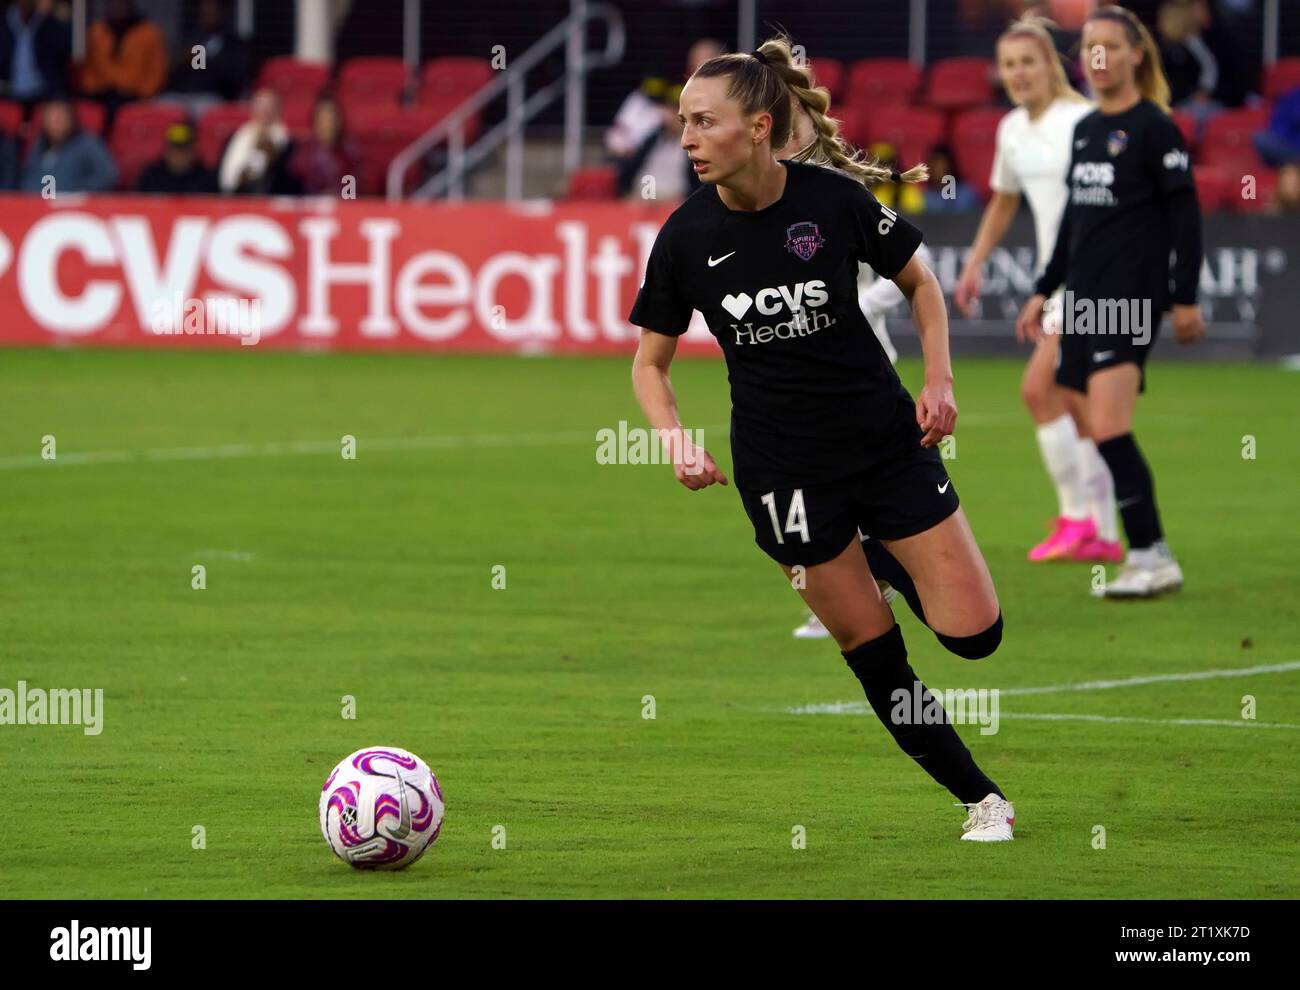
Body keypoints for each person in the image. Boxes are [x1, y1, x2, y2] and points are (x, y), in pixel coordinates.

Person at [629, 35, 1015, 841]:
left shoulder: (832, 202)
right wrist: (675, 441)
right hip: (781, 475)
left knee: (975, 637)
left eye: (704, 122)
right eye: (682, 123)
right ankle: (981, 798)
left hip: (884, 445)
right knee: (871, 649)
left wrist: (939, 382)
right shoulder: (686, 236)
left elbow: (921, 282)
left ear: (761, 127)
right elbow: (649, 365)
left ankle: (874, 551)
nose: (688, 139)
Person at [1016, 5, 1204, 598]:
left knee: (1110, 426)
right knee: (1087, 422)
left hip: (1128, 303)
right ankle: (1128, 544)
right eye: (1089, 48)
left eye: (1109, 47)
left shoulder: (1155, 127)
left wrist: (1185, 296)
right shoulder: (1087, 129)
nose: (1096, 58)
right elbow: (1076, 219)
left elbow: (1186, 214)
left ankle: (1151, 554)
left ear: (1134, 56)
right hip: (1081, 303)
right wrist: (1045, 288)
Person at [957, 16, 1120, 563]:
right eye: (1009, 65)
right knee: (1071, 402)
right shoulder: (1011, 130)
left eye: (1029, 61)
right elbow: (1005, 199)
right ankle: (1099, 528)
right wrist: (975, 261)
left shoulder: (1083, 120)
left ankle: (1087, 522)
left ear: (1051, 64)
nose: (1019, 73)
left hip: (1094, 278)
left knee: (1040, 389)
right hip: (1059, 285)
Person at [80, 0, 167, 118]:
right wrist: (93, 90)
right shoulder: (96, 32)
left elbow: (157, 70)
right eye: (114, 3)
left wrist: (143, 95)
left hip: (136, 97)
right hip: (101, 95)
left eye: (122, 3)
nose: (118, 7)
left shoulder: (149, 33)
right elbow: (88, 69)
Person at [19, 96, 117, 192]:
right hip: (38, 204)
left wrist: (79, 193)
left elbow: (107, 176)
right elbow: (28, 178)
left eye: (60, 117)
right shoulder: (39, 145)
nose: (56, 122)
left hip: (76, 205)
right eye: (51, 117)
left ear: (71, 119)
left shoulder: (88, 144)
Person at [165, 0, 249, 107]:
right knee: (163, 107)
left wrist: (210, 61)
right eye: (204, 10)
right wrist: (183, 60)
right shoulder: (191, 38)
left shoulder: (233, 44)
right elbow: (171, 72)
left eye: (212, 9)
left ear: (223, 12)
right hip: (183, 95)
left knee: (203, 106)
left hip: (213, 96)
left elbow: (235, 78)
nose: (207, 13)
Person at [218, 87, 292, 194]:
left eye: (269, 106)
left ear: (279, 110)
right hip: (234, 198)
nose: (265, 111)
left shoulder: (288, 145)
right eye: (260, 106)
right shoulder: (235, 138)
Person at [0, 0, 72, 107]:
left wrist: (54, 15)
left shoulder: (48, 21)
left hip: (44, 92)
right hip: (9, 91)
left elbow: (65, 49)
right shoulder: (4, 21)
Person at [286, 96, 359, 196]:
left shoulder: (350, 153)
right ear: (315, 121)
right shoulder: (302, 153)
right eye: (323, 118)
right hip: (307, 207)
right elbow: (293, 188)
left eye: (331, 118)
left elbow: (354, 189)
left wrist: (338, 194)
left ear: (339, 121)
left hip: (341, 206)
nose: (328, 123)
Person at [136, 121, 217, 194]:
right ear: (166, 149)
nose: (179, 154)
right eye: (175, 148)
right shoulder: (151, 176)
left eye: (184, 148)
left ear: (194, 149)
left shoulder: (206, 179)